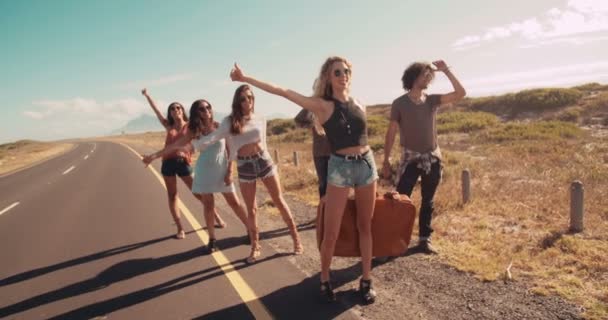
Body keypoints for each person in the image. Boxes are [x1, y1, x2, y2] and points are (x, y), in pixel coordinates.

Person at [230, 57, 378, 304]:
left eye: (346, 71)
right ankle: (324, 278)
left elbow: (363, 137)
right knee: (331, 231)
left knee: (366, 226)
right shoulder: (322, 105)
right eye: (337, 72)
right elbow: (283, 91)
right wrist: (246, 79)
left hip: (366, 165)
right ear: (328, 78)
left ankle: (366, 280)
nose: (343, 75)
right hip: (340, 168)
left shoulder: (360, 104)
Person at [153, 85, 304, 263]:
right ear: (237, 102)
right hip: (244, 165)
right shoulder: (229, 122)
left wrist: (266, 162)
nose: (247, 101)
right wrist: (190, 147)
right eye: (243, 99)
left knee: (279, 200)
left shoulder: (260, 118)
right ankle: (255, 247)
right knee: (252, 209)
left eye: (250, 97)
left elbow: (263, 142)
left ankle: (296, 239)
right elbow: (216, 140)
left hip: (263, 161)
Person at [143, 99, 252, 254]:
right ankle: (212, 240)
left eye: (208, 107)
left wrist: (229, 171)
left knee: (234, 202)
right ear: (196, 113)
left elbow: (230, 149)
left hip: (222, 170)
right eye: (201, 109)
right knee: (208, 205)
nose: (206, 110)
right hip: (204, 171)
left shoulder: (219, 126)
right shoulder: (194, 131)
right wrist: (153, 156)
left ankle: (250, 230)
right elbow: (174, 146)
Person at [382, 60, 466, 254]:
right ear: (413, 77)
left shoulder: (432, 100)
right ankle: (394, 241)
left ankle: (424, 240)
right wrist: (386, 159)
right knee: (402, 201)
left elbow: (460, 94)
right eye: (425, 74)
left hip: (432, 158)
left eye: (430, 75)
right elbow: (391, 132)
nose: (429, 78)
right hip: (410, 159)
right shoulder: (399, 103)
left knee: (428, 201)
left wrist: (446, 71)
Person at [141, 89, 227, 239]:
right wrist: (148, 96)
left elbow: (201, 139)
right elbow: (156, 111)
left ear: (183, 111)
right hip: (167, 163)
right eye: (172, 109)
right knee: (172, 195)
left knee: (199, 194)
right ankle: (180, 228)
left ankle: (216, 217)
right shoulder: (169, 126)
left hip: (183, 163)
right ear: (170, 113)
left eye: (178, 108)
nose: (176, 110)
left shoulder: (191, 126)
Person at [294, 107, 331, 199]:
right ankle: (323, 209)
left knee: (337, 184)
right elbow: (299, 120)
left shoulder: (333, 107)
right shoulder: (315, 109)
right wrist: (311, 102)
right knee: (323, 183)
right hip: (319, 154)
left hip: (335, 153)